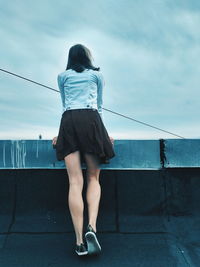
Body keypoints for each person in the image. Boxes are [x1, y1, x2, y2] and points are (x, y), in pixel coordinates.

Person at [52, 44, 115, 256]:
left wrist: (60, 134)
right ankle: (92, 227)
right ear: (88, 57)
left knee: (74, 182)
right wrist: (104, 135)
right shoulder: (97, 77)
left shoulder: (62, 76)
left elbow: (65, 105)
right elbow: (99, 105)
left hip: (68, 122)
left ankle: (79, 241)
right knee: (93, 179)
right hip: (91, 121)